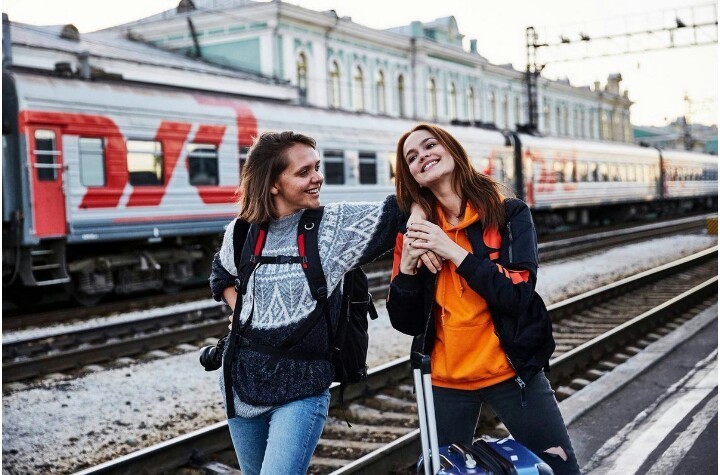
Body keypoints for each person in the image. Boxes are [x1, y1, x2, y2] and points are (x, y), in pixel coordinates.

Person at [208, 131, 435, 475]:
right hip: (240, 386)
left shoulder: (335, 227)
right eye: (303, 172)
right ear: (272, 184)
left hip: (302, 387)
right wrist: (245, 313)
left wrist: (417, 214)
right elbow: (221, 275)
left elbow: (403, 208)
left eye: (317, 167)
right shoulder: (241, 232)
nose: (318, 177)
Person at [387, 123, 580, 475]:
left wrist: (452, 251)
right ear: (411, 176)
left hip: (510, 371)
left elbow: (518, 294)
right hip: (445, 382)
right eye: (411, 157)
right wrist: (408, 268)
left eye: (430, 145)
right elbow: (406, 322)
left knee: (562, 469)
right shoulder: (413, 231)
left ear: (451, 150)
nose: (422, 157)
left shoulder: (509, 214)